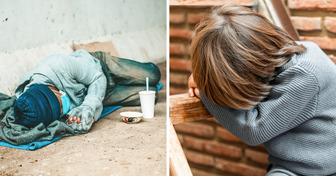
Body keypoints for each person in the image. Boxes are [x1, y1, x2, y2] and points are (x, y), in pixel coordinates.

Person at [188, 4, 336, 176]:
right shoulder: (279, 59)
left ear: (256, 64)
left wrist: (206, 91)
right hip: (290, 168)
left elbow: (254, 130)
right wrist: (206, 80)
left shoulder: (305, 75)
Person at [13, 49, 160, 131]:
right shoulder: (30, 107)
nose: (64, 109)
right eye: (59, 112)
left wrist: (88, 106)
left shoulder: (58, 65)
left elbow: (98, 78)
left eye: (60, 103)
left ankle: (123, 75)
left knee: (153, 76)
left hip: (99, 69)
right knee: (152, 96)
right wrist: (88, 118)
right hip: (98, 94)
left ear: (51, 89)